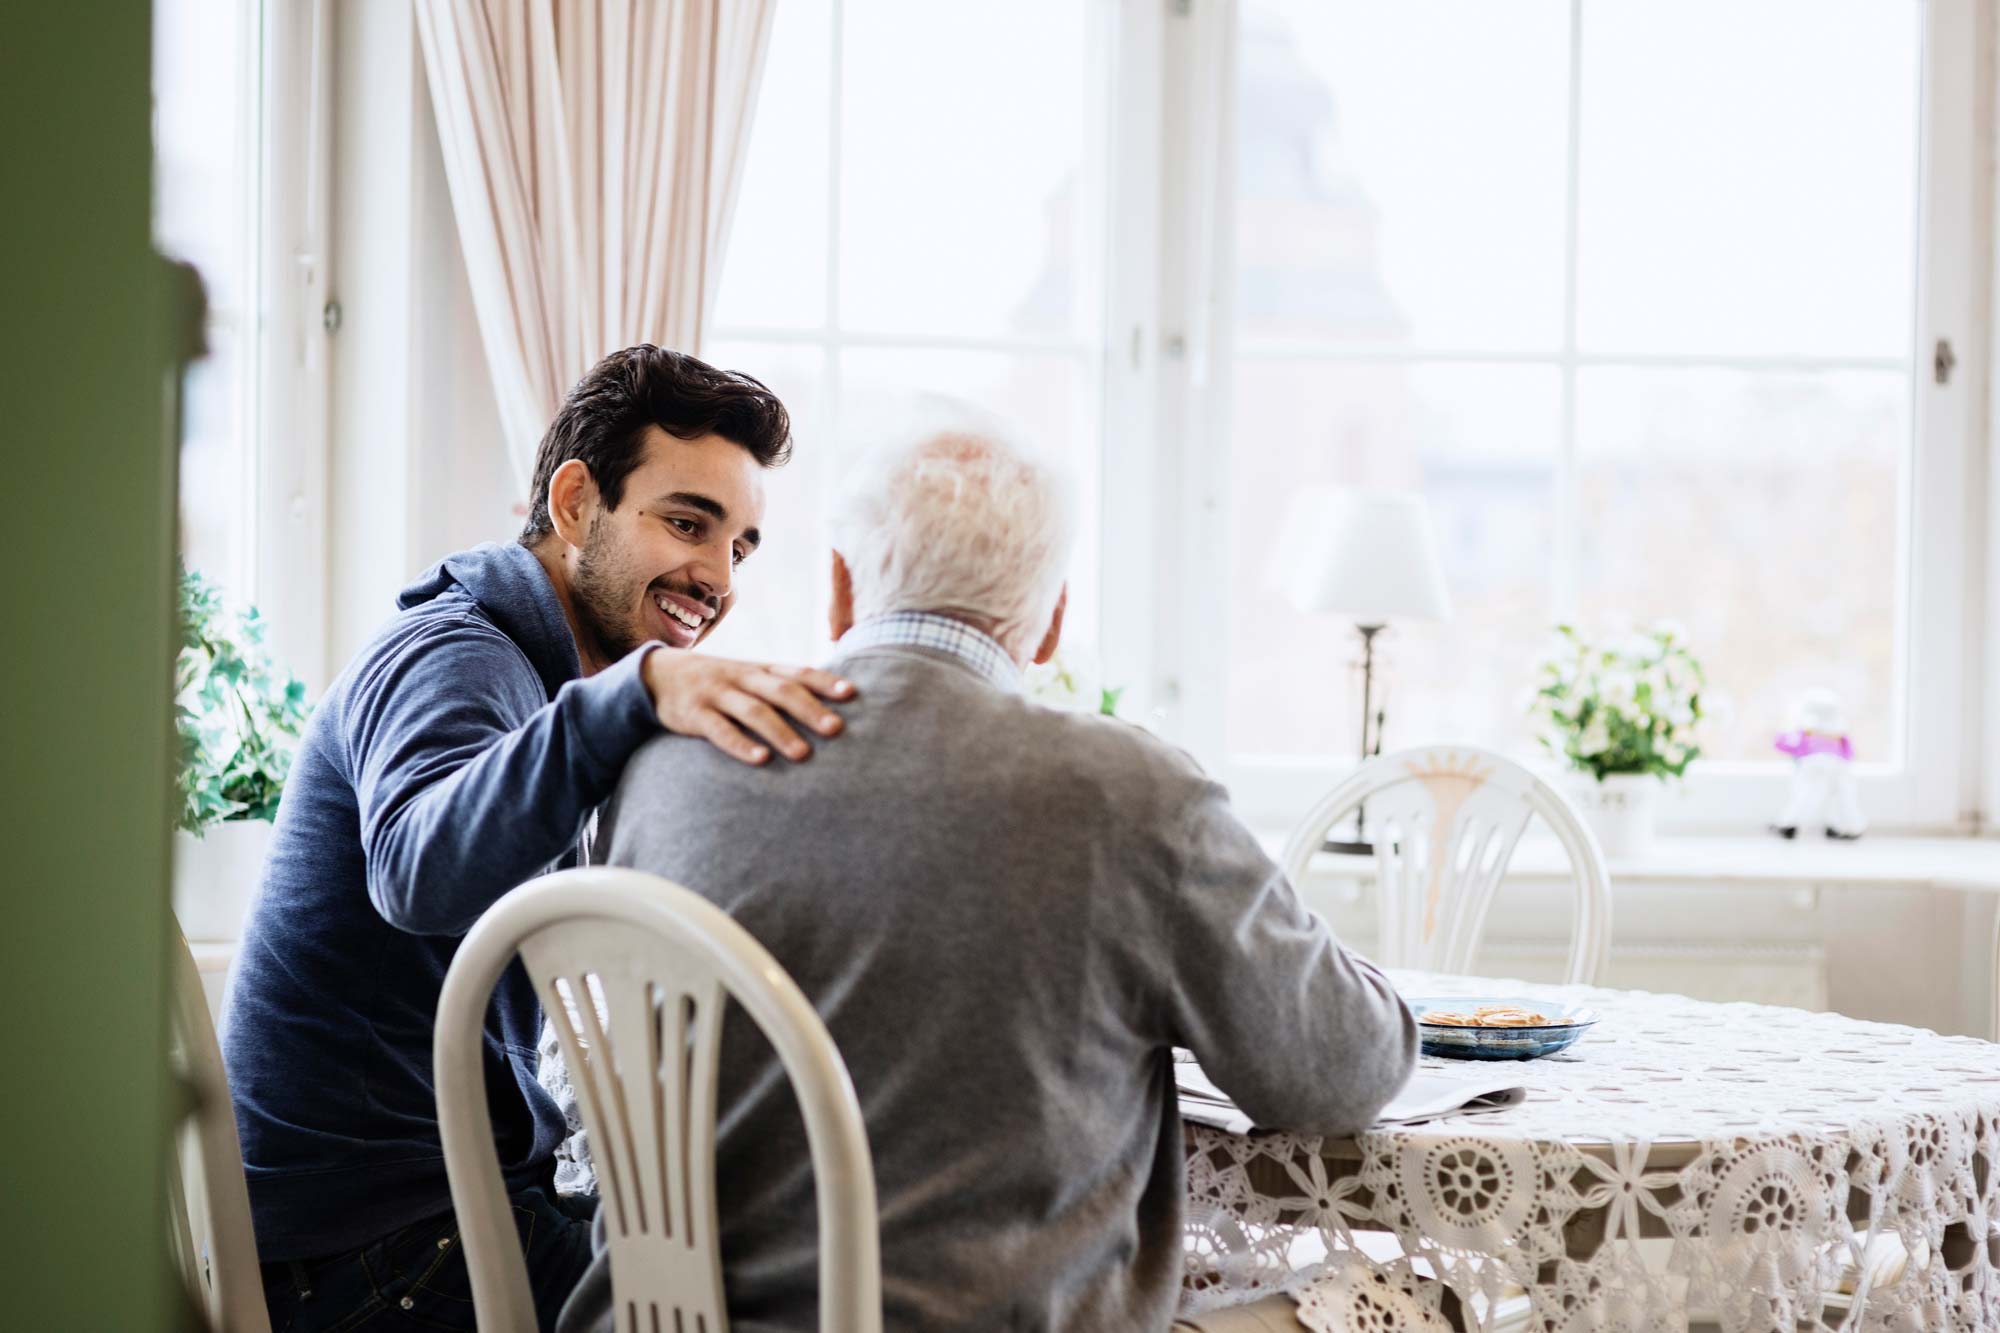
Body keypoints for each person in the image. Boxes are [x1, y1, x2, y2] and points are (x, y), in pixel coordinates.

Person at [561, 415, 1417, 1333]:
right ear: (1049, 621)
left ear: (842, 591)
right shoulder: (1133, 793)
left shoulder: (660, 767)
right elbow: (1337, 1071)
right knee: (1405, 1301)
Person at [223, 346, 858, 1332]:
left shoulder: (529, 668)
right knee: (745, 1306)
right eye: (686, 522)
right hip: (371, 1250)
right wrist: (633, 696)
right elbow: (417, 871)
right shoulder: (454, 651)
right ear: (573, 503)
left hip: (395, 1217)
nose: (714, 576)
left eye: (739, 546)